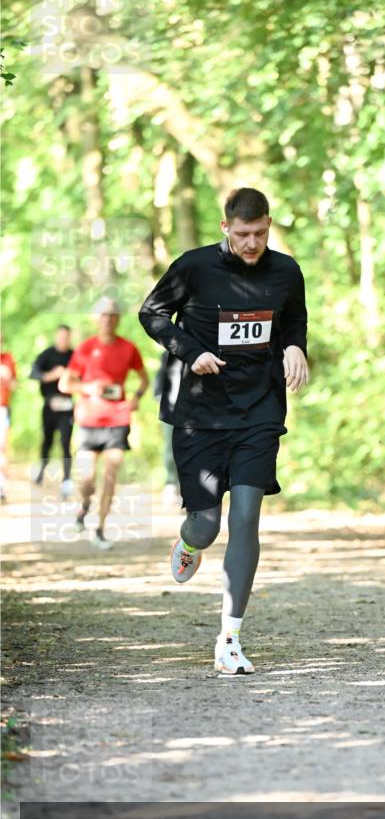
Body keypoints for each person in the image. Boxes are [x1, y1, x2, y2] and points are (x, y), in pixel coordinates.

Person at [138, 187, 308, 676]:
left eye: (259, 233)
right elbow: (151, 315)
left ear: (269, 225)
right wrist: (191, 352)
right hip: (200, 415)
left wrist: (295, 346)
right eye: (242, 234)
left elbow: (293, 318)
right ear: (225, 228)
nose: (251, 243)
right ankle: (190, 540)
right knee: (208, 525)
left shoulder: (286, 270)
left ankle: (229, 638)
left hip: (259, 409)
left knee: (248, 515)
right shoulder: (194, 267)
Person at [59, 297, 149, 550]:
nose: (108, 320)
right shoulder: (85, 349)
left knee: (110, 476)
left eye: (113, 315)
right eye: (103, 315)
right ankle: (83, 509)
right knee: (86, 478)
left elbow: (144, 380)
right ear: (96, 319)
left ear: (118, 319)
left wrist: (135, 399)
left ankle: (99, 529)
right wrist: (89, 387)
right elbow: (64, 384)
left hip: (118, 420)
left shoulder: (129, 348)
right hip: (89, 420)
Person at [30, 324, 75, 497]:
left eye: (66, 337)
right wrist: (51, 375)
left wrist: (69, 376)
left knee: (65, 443)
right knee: (47, 441)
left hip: (67, 407)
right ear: (56, 337)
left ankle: (67, 480)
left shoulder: (74, 355)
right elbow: (33, 373)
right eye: (61, 337)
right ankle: (42, 469)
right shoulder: (47, 355)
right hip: (49, 406)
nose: (63, 340)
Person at [153, 349, 181, 505]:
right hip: (171, 407)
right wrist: (158, 394)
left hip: (195, 409)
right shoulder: (168, 353)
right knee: (170, 447)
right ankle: (170, 483)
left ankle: (185, 488)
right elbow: (161, 374)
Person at [0, 334, 17, 504]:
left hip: (2, 408)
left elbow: (14, 385)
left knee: (2, 448)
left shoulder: (7, 359)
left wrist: (8, 377)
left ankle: (2, 487)